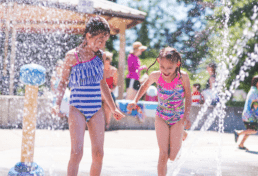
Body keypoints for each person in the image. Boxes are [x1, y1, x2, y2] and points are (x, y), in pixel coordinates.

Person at [51, 16, 125, 176]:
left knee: (99, 154)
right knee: (77, 152)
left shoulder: (100, 55)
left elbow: (103, 84)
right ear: (88, 36)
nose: (102, 45)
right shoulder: (72, 56)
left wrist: (113, 108)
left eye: (104, 41)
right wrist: (57, 103)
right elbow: (63, 82)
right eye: (99, 40)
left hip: (96, 109)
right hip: (77, 108)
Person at [127, 47, 192, 176]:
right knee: (163, 153)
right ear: (158, 61)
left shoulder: (182, 77)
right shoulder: (155, 75)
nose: (166, 71)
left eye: (170, 68)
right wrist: (135, 100)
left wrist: (186, 116)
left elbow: (188, 96)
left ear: (177, 64)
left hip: (177, 118)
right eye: (162, 67)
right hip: (161, 116)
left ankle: (181, 133)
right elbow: (145, 86)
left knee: (173, 157)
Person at [234, 75, 258, 150]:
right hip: (250, 116)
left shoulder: (254, 90)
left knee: (249, 131)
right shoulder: (254, 92)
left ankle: (241, 144)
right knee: (254, 130)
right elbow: (254, 103)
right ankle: (238, 133)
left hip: (248, 115)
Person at [103, 51, 118, 130]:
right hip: (99, 92)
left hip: (109, 92)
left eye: (107, 60)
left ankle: (107, 124)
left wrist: (110, 90)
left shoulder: (114, 70)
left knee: (107, 104)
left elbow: (115, 85)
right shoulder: (99, 70)